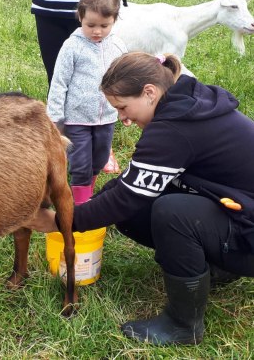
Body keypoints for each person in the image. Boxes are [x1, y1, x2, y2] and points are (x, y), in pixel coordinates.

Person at [28, 51, 254, 345]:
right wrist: (84, 209)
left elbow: (126, 197)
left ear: (149, 92)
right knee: (135, 210)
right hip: (240, 209)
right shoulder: (182, 105)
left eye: (123, 107)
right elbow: (130, 185)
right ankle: (216, 267)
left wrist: (61, 221)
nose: (123, 119)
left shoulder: (174, 128)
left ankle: (183, 325)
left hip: (248, 230)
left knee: (172, 213)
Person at [18, 0, 129, 174]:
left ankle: (102, 144)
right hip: (47, 11)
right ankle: (63, 143)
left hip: (93, 17)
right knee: (58, 77)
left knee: (97, 78)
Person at [47, 0, 127, 205]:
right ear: (80, 16)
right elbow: (59, 82)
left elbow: (125, 80)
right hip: (76, 118)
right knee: (80, 164)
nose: (97, 31)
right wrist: (55, 117)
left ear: (114, 20)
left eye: (104, 25)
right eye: (91, 24)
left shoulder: (118, 46)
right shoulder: (72, 46)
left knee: (99, 160)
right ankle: (80, 206)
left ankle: (87, 194)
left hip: (106, 118)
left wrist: (125, 108)